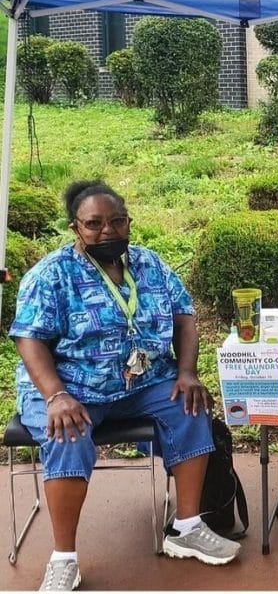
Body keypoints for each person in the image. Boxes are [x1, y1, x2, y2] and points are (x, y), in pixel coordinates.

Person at [10, 180, 241, 591]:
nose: (107, 231)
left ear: (128, 222)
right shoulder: (51, 274)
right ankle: (64, 558)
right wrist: (56, 395)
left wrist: (187, 372)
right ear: (75, 227)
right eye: (94, 223)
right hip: (70, 386)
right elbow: (29, 337)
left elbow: (185, 315)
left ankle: (187, 526)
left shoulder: (150, 264)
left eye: (117, 221)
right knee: (67, 433)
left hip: (140, 383)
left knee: (189, 406)